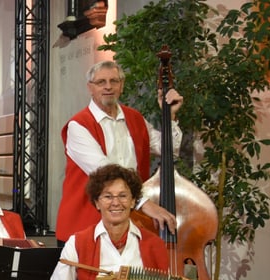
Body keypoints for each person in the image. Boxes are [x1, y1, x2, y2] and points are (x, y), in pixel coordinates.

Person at [56, 60, 180, 245]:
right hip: (86, 224)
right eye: (101, 82)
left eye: (114, 81)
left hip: (129, 223)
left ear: (121, 85)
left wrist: (169, 114)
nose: (108, 87)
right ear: (90, 87)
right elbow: (106, 173)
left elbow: (169, 151)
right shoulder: (79, 125)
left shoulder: (135, 118)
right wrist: (147, 205)